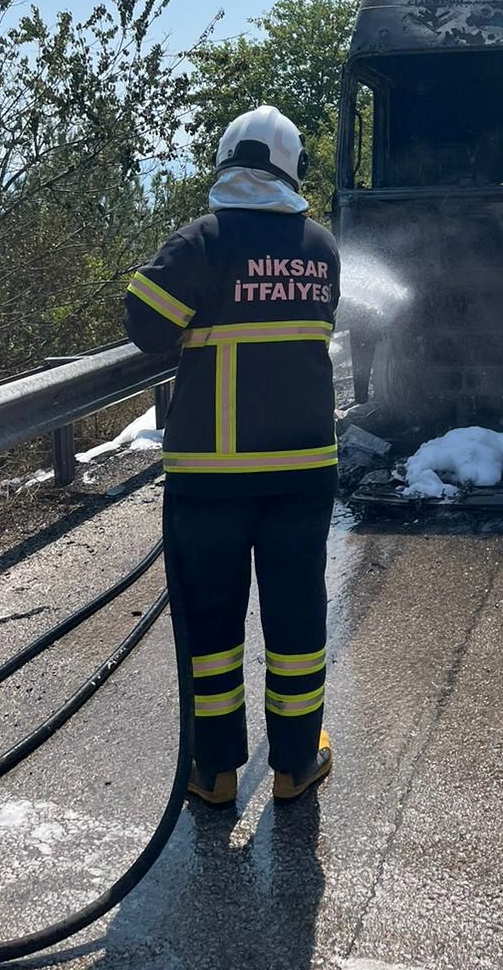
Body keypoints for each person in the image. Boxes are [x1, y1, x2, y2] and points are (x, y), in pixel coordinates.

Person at [125, 105, 340, 809]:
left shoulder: (201, 242)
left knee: (212, 627)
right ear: (291, 168)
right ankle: (296, 763)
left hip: (211, 483)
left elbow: (146, 327)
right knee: (298, 620)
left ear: (224, 164)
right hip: (303, 475)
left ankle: (214, 772)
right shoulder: (320, 246)